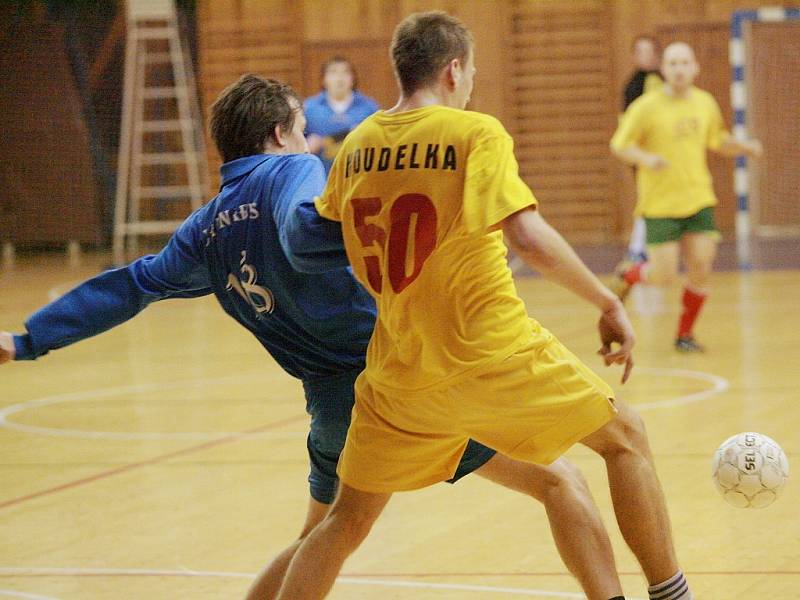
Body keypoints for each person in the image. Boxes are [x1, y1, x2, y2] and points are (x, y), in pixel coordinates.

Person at [0, 74, 629, 600]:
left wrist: (30, 339)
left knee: (321, 539)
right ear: (280, 135)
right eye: (302, 131)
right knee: (560, 482)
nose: (308, 145)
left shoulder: (205, 230)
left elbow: (131, 285)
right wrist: (423, 229)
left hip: (329, 409)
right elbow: (306, 232)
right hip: (398, 390)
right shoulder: (292, 174)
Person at [275, 11, 693, 600]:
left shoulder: (357, 145)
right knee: (625, 436)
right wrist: (606, 300)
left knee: (344, 521)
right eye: (469, 71)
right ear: (453, 70)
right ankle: (673, 593)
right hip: (489, 352)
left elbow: (319, 241)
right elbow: (525, 236)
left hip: (400, 374)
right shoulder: (475, 133)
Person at [610, 42, 762, 352]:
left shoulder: (704, 103)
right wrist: (646, 159)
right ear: (663, 69)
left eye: (684, 62)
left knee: (702, 266)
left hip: (699, 200)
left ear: (695, 67)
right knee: (663, 275)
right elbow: (620, 144)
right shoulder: (646, 106)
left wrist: (743, 147)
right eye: (672, 63)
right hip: (661, 204)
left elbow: (716, 139)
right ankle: (629, 273)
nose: (679, 69)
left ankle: (684, 335)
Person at [621, 35, 664, 264]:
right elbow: (627, 128)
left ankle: (654, 246)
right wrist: (635, 154)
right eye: (640, 51)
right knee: (647, 198)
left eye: (650, 51)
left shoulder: (666, 81)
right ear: (634, 56)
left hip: (667, 153)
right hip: (644, 154)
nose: (646, 56)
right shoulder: (633, 87)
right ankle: (638, 248)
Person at [304, 56, 379, 173]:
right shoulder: (309, 109)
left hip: (357, 179)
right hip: (321, 180)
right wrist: (307, 148)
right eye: (333, 72)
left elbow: (379, 146)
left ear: (352, 78)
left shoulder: (369, 108)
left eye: (345, 72)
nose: (339, 78)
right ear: (323, 79)